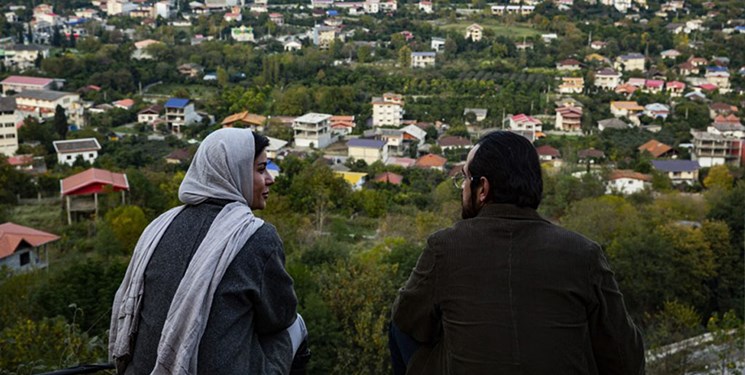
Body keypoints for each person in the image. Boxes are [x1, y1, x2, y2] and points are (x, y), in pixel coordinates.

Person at [390, 131, 645, 375]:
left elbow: (406, 320)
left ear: (482, 189)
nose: (462, 187)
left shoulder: (445, 247)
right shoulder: (584, 253)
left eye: (466, 178)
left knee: (401, 324)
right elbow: (626, 357)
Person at [109, 128, 309, 375]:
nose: (270, 178)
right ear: (233, 173)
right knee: (296, 326)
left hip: (142, 370)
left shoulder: (160, 226)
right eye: (260, 169)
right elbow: (280, 315)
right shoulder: (256, 237)